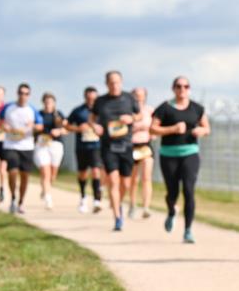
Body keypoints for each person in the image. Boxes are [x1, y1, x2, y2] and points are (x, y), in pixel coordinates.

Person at [150, 76, 210, 242]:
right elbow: (153, 129)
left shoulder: (197, 108)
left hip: (190, 153)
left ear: (189, 88)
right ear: (173, 88)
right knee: (172, 192)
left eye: (185, 86)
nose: (182, 89)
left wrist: (201, 131)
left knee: (189, 190)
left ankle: (188, 230)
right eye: (178, 86)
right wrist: (172, 129)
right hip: (169, 154)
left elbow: (207, 127)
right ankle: (171, 211)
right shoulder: (164, 108)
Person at [90, 70, 140, 231]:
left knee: (125, 183)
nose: (114, 85)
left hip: (126, 145)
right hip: (108, 145)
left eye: (117, 82)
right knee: (113, 181)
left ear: (122, 82)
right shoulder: (100, 101)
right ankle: (118, 218)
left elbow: (139, 115)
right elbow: (92, 118)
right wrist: (95, 126)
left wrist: (131, 119)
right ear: (106, 84)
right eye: (111, 82)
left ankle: (117, 202)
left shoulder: (129, 98)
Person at [0, 83, 43, 214]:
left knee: (25, 176)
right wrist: (3, 126)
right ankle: (12, 198)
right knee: (12, 172)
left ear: (29, 95)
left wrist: (33, 126)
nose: (23, 96)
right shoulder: (8, 107)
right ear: (17, 93)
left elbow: (40, 126)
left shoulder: (32, 110)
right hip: (11, 145)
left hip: (27, 146)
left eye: (26, 93)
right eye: (21, 93)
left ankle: (21, 202)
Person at [65, 87, 105, 214]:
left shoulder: (102, 111)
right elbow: (67, 125)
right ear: (85, 97)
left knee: (95, 171)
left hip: (96, 146)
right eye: (89, 98)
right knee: (82, 174)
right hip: (82, 147)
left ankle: (96, 200)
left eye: (94, 99)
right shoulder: (78, 111)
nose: (91, 101)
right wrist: (77, 128)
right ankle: (83, 197)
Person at [35, 92, 67, 209]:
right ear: (43, 103)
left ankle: (45, 189)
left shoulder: (58, 115)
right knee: (45, 171)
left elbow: (66, 129)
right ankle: (48, 199)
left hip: (56, 145)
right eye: (46, 102)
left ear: (54, 103)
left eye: (50, 102)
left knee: (53, 174)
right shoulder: (38, 114)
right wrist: (35, 127)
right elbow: (33, 127)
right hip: (42, 144)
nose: (48, 104)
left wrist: (59, 131)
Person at [128, 87, 155, 220]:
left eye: (141, 95)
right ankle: (132, 205)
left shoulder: (150, 110)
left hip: (145, 146)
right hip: (131, 146)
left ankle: (146, 207)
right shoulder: (128, 111)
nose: (138, 97)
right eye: (136, 95)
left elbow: (155, 127)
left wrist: (151, 132)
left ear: (145, 96)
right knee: (134, 179)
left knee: (146, 178)